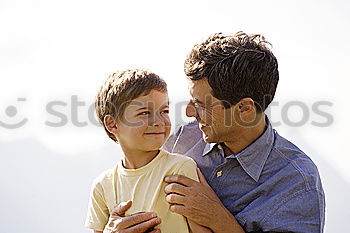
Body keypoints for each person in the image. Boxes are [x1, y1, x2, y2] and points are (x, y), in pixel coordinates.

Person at [101, 32, 326, 233]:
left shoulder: (297, 182)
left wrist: (219, 219)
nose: (189, 112)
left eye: (201, 104)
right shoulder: (181, 140)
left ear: (244, 108)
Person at [84, 69, 212, 233]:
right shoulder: (102, 186)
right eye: (145, 113)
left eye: (164, 111)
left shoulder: (180, 169)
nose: (159, 121)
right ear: (112, 124)